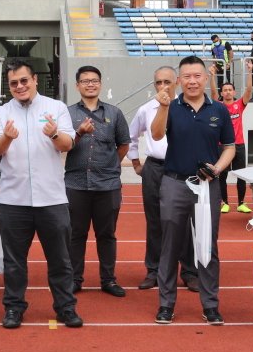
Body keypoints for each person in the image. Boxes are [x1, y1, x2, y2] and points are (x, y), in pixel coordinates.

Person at [0, 59, 83, 329]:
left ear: (35, 80)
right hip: (13, 200)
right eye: (14, 83)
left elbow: (68, 144)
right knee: (14, 261)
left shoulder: (56, 108)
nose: (19, 86)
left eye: (24, 81)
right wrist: (7, 138)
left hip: (51, 199)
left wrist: (54, 134)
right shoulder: (2, 113)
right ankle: (14, 308)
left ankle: (65, 307)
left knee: (60, 260)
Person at [149, 56, 236, 325]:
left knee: (208, 245)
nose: (192, 81)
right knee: (170, 245)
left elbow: (230, 147)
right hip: (174, 183)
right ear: (179, 80)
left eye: (197, 76)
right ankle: (166, 304)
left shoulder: (219, 110)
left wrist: (217, 169)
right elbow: (155, 134)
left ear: (206, 78)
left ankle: (210, 305)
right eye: (186, 76)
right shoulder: (170, 106)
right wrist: (163, 107)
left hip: (207, 186)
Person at [128, 66, 198, 293]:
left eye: (167, 82)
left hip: (182, 169)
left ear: (176, 82)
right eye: (158, 82)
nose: (163, 86)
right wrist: (136, 163)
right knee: (155, 221)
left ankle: (189, 271)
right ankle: (154, 270)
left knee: (186, 222)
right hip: (155, 169)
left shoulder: (186, 107)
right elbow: (132, 136)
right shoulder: (146, 109)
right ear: (154, 85)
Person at [66, 65, 130, 297]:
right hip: (75, 184)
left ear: (100, 84)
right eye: (85, 81)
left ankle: (108, 280)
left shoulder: (114, 113)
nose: (90, 84)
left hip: (107, 185)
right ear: (77, 85)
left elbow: (123, 144)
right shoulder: (68, 113)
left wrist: (110, 165)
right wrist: (79, 133)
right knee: (75, 234)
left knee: (106, 235)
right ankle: (74, 279)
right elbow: (63, 145)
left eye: (94, 80)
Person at [219, 63, 253, 214]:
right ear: (222, 93)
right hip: (223, 146)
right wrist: (213, 76)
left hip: (239, 145)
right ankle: (224, 202)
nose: (227, 92)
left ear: (233, 92)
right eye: (225, 90)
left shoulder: (239, 105)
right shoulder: (218, 106)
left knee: (241, 175)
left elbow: (249, 90)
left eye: (230, 90)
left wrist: (250, 71)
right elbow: (213, 92)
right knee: (222, 175)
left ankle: (241, 203)